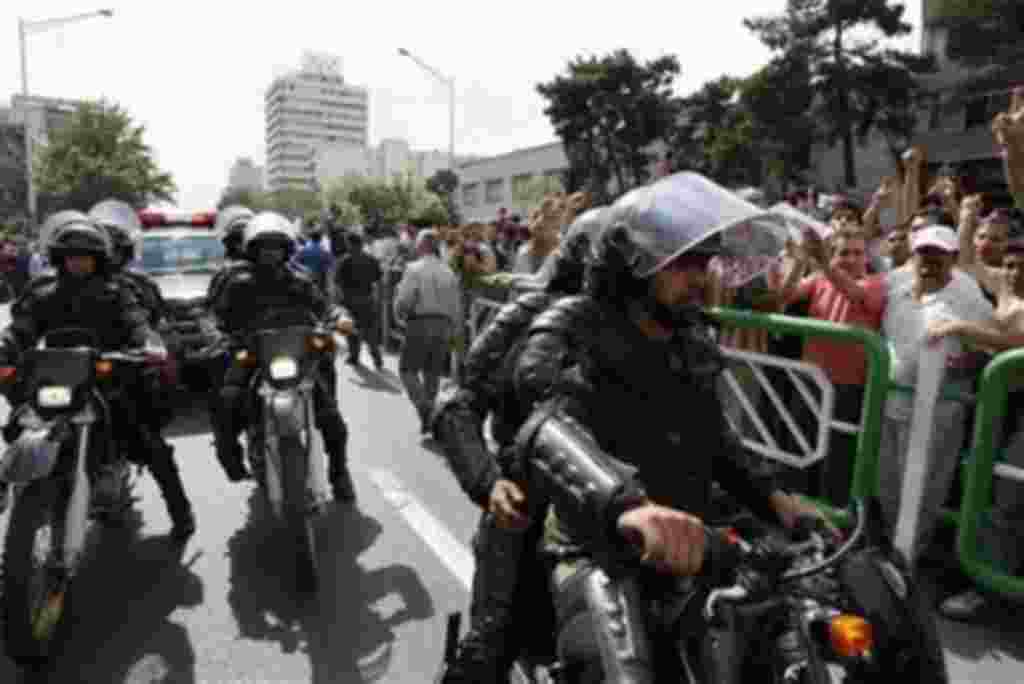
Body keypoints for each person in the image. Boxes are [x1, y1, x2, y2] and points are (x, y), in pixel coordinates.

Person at [512, 173, 825, 682]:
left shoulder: (692, 339)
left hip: (703, 540)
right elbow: (546, 421)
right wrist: (628, 507)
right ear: (630, 264)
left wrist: (774, 498)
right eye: (683, 263)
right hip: (598, 547)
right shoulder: (572, 326)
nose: (701, 278)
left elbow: (717, 438)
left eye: (705, 262)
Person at [434, 207, 608, 683]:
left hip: (631, 508)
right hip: (532, 496)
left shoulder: (663, 331)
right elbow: (458, 404)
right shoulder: (529, 316)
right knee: (490, 644)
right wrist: (489, 483)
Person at [0, 211, 195, 539]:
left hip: (109, 378)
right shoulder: (43, 292)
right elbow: (21, 328)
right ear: (59, 259)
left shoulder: (116, 291)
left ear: (98, 260)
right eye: (71, 257)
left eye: (85, 258)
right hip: (58, 378)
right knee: (22, 421)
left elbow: (136, 321)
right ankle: (12, 480)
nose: (78, 264)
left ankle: (181, 511)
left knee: (147, 442)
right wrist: (5, 346)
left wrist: (148, 343)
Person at [210, 212, 357, 502]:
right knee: (225, 403)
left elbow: (324, 306)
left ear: (286, 249)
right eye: (264, 247)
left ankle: (340, 473)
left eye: (276, 247)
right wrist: (219, 335)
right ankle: (231, 459)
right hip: (253, 359)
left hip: (296, 360)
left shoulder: (300, 280)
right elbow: (217, 318)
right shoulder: (237, 283)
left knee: (332, 420)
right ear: (252, 249)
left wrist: (340, 317)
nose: (270, 253)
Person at [393, 230, 463, 434]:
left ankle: (426, 409)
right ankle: (430, 419)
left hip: (420, 323)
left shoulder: (414, 269)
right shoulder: (448, 271)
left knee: (407, 371)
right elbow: (456, 306)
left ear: (423, 245)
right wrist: (454, 332)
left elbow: (405, 300)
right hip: (444, 326)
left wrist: (399, 314)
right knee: (432, 373)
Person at [335, 233, 384, 369]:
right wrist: (378, 299)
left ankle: (354, 356)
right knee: (370, 330)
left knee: (351, 330)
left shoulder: (344, 260)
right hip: (367, 299)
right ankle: (376, 357)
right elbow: (379, 281)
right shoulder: (372, 259)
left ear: (350, 244)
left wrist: (338, 301)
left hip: (349, 300)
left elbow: (337, 283)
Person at [293, 226, 334, 295]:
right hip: (320, 282)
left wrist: (303, 268)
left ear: (310, 238)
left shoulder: (303, 250)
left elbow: (293, 262)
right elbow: (331, 267)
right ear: (320, 239)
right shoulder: (325, 252)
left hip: (305, 279)